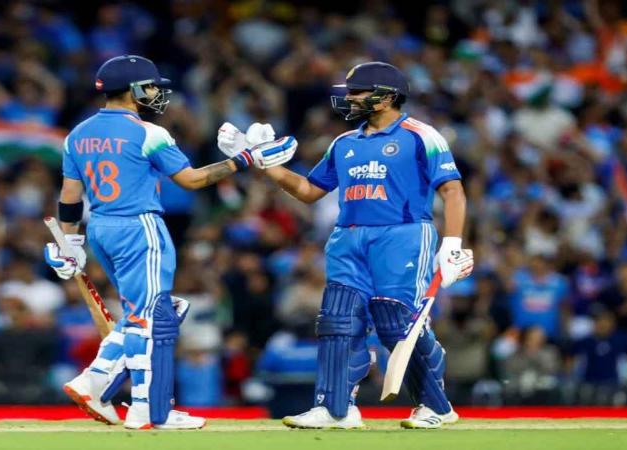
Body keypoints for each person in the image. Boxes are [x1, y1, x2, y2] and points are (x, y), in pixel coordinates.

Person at [43, 55, 297, 430]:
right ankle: (145, 409)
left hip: (100, 228)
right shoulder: (149, 133)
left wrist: (70, 241)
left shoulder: (77, 134)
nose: (156, 93)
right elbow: (192, 180)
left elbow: (69, 195)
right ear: (131, 89)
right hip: (139, 226)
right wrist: (245, 160)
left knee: (145, 311)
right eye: (150, 86)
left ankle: (94, 381)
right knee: (148, 318)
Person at [218, 62, 474, 429]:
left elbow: (452, 190)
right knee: (338, 320)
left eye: (357, 92)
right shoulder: (344, 142)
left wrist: (451, 243)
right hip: (347, 236)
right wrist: (264, 164)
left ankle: (436, 406)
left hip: (402, 235)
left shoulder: (421, 135)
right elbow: (309, 190)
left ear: (386, 98)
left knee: (396, 322)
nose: (349, 98)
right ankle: (335, 409)